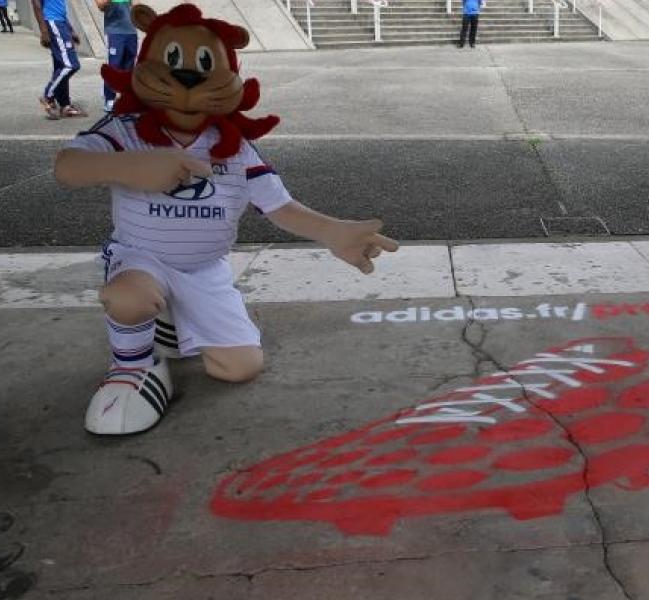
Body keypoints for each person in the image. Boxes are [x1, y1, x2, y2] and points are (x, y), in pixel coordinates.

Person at [54, 3, 399, 435]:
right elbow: (66, 166)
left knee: (238, 368)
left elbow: (280, 206)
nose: (187, 77)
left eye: (205, 63)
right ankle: (133, 365)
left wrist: (332, 231)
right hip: (142, 258)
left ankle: (167, 323)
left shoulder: (233, 147)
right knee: (127, 298)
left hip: (205, 269)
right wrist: (129, 166)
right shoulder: (123, 130)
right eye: (172, 60)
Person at [31, 0, 88, 119]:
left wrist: (70, 30)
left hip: (61, 24)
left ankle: (65, 106)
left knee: (60, 67)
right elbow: (36, 5)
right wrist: (44, 30)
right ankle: (48, 96)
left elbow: (60, 8)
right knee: (70, 65)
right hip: (53, 23)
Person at [96, 0, 138, 113]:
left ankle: (127, 98)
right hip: (114, 32)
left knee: (129, 67)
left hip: (131, 31)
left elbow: (136, 5)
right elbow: (100, 5)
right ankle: (109, 99)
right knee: (114, 66)